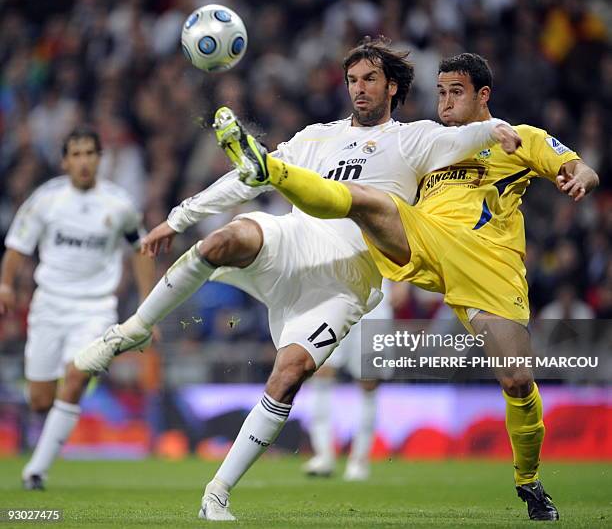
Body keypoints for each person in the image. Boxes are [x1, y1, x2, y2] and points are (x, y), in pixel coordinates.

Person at [75, 38, 520, 521]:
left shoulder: (413, 139)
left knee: (289, 375)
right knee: (225, 239)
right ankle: (134, 328)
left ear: (392, 86)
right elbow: (249, 178)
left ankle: (217, 493)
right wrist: (178, 219)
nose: (359, 89)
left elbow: (466, 136)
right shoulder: (315, 137)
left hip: (347, 281)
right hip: (294, 241)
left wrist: (499, 129)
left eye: (370, 79)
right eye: (352, 80)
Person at [219, 51, 599, 521]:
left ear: (483, 96)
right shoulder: (428, 141)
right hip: (421, 241)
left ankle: (529, 480)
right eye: (439, 92)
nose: (444, 102)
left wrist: (578, 176)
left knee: (518, 381)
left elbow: (578, 165)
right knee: (368, 200)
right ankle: (272, 174)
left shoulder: (517, 139)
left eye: (455, 92)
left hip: (487, 269)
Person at [0, 126, 156, 490]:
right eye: (77, 154)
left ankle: (36, 470)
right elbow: (18, 246)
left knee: (75, 375)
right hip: (49, 306)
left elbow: (141, 248)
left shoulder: (119, 204)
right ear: (65, 161)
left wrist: (148, 308)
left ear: (100, 159)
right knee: (39, 399)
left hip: (96, 309)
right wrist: (6, 284)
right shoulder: (45, 200)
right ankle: (48, 431)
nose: (84, 161)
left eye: (91, 153)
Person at [303, 279, 395, 481]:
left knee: (368, 382)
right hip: (334, 299)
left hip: (374, 305)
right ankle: (323, 455)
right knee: (321, 371)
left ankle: (360, 460)